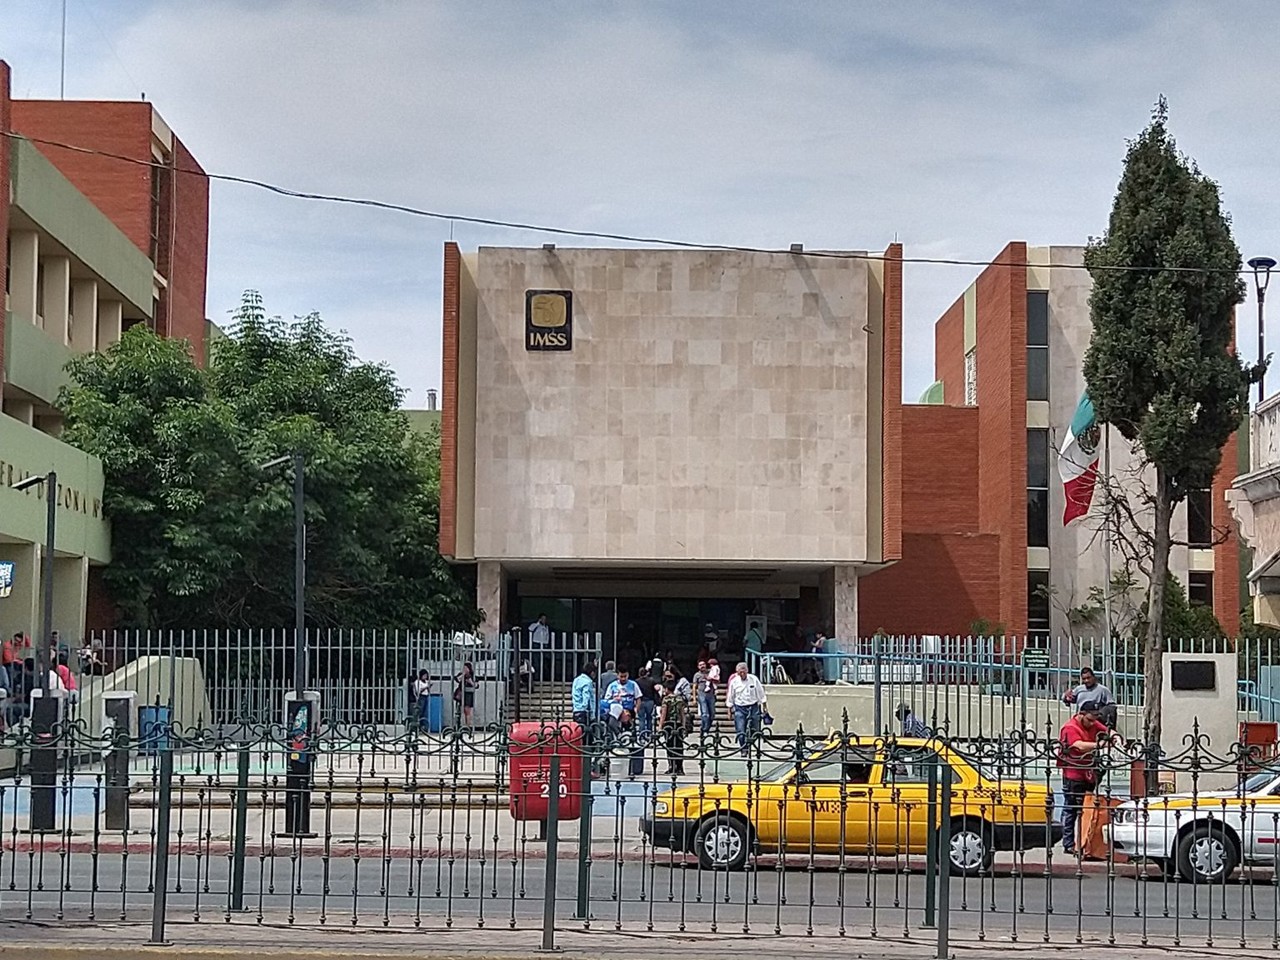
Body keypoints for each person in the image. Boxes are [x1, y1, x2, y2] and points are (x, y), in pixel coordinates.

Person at [1058, 700, 1116, 855]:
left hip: (1088, 771)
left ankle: (1083, 842)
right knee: (1072, 808)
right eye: (1090, 719)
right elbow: (1079, 745)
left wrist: (1114, 736)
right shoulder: (1070, 728)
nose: (1093, 723)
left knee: (1087, 808)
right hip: (1074, 772)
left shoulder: (1093, 723)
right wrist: (1100, 745)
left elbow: (1107, 730)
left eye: (1095, 719)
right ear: (1081, 714)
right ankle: (1068, 843)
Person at [725, 662, 768, 757]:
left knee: (756, 729)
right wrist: (729, 710)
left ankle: (750, 743)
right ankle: (743, 748)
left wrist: (764, 706)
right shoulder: (734, 681)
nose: (742, 674)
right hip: (740, 707)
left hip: (753, 706)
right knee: (740, 730)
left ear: (747, 671)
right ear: (737, 672)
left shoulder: (754, 679)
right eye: (740, 672)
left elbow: (761, 693)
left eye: (744, 671)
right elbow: (731, 696)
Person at [659, 673, 688, 775]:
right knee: (679, 746)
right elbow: (682, 714)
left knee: (670, 746)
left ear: (667, 689)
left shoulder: (666, 699)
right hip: (678, 724)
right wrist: (683, 726)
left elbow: (664, 713)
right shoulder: (680, 699)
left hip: (668, 724)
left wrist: (660, 726)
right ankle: (680, 767)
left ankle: (672, 766)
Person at [572, 661, 597, 732]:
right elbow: (587, 697)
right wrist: (592, 714)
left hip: (576, 710)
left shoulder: (576, 680)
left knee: (578, 733)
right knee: (586, 735)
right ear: (592, 672)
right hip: (584, 712)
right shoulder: (588, 682)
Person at [693, 660, 716, 735]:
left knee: (712, 714)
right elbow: (694, 686)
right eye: (700, 665)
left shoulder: (711, 672)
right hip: (701, 695)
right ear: (698, 667)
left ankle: (706, 728)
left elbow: (718, 680)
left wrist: (711, 679)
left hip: (711, 695)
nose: (702, 666)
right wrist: (694, 698)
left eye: (703, 664)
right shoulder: (697, 675)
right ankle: (704, 730)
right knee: (705, 714)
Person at [453, 661, 477, 730]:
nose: (465, 669)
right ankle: (458, 725)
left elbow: (476, 685)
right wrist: (463, 675)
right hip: (461, 694)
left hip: (468, 694)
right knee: (459, 709)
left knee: (467, 710)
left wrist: (470, 682)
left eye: (466, 668)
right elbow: (457, 679)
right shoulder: (461, 674)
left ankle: (468, 726)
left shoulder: (472, 675)